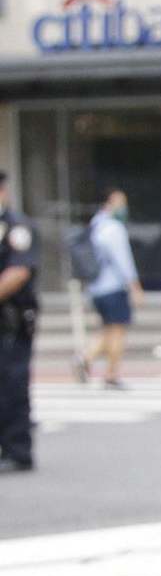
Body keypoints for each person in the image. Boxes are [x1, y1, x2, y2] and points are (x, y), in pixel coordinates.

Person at [75, 187, 141, 390]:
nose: (124, 207)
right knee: (117, 330)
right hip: (112, 286)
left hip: (96, 288)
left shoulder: (95, 225)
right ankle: (111, 373)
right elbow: (123, 259)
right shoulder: (114, 228)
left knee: (108, 329)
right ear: (108, 203)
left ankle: (86, 357)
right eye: (120, 202)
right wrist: (135, 286)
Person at [0, 170, 36, 474]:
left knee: (11, 384)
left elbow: (19, 271)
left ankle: (17, 450)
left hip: (10, 322)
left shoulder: (16, 228)